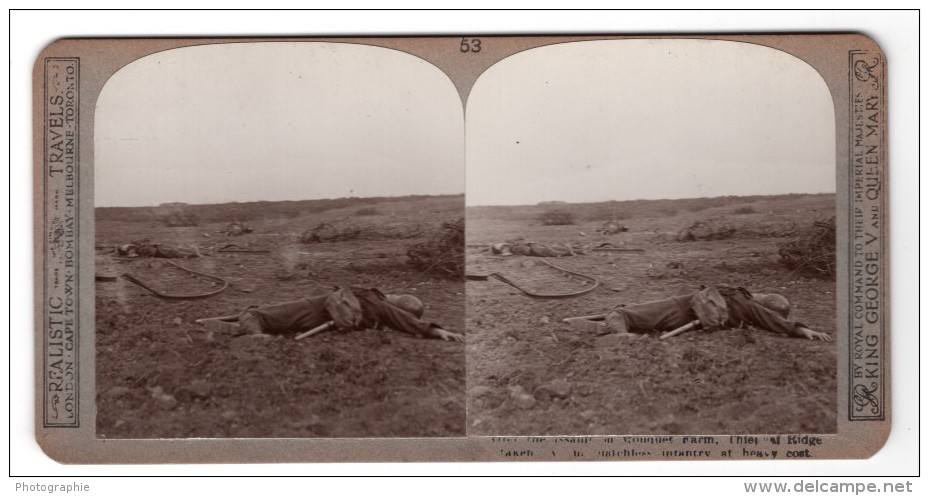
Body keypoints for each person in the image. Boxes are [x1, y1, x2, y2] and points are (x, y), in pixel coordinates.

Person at [600, 285, 832, 341]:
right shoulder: (748, 305)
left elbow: (774, 321)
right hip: (684, 313)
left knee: (626, 314)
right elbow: (775, 321)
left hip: (682, 307)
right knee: (633, 316)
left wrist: (802, 330)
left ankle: (619, 329)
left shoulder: (747, 304)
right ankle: (616, 329)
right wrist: (801, 329)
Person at [238, 286, 464, 342]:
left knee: (262, 316)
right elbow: (406, 321)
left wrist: (435, 330)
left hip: (318, 309)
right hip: (320, 314)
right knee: (274, 318)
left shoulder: (379, 304)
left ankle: (253, 323)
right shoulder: (379, 306)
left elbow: (406, 321)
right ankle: (254, 327)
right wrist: (434, 329)